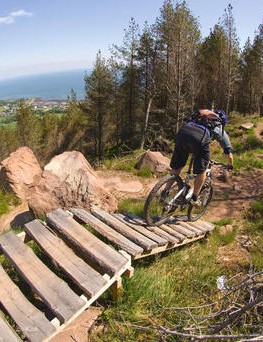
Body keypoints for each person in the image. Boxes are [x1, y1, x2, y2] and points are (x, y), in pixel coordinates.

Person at [168, 108, 233, 206]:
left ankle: (165, 192)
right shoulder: (219, 127)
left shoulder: (199, 118)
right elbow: (228, 153)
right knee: (202, 170)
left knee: (176, 167)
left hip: (183, 132)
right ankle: (194, 198)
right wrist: (230, 165)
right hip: (199, 137)